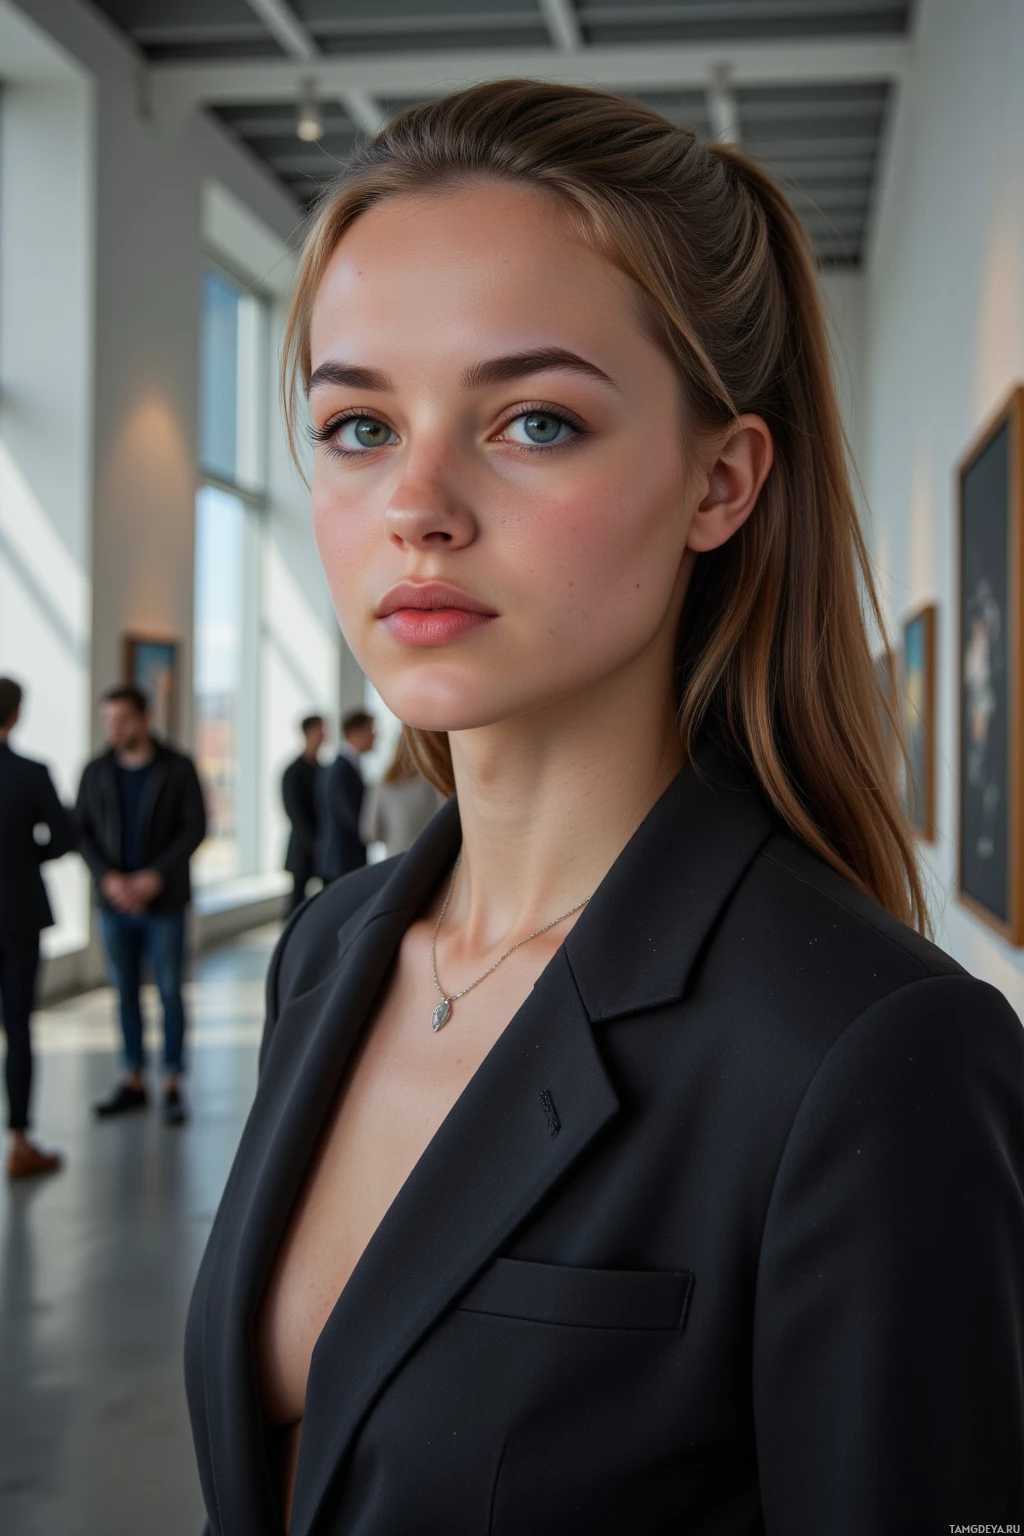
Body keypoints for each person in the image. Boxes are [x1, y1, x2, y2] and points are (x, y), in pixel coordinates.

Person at [186, 82, 1024, 1535]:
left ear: (720, 482)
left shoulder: (870, 1054)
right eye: (360, 424)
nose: (418, 506)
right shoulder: (328, 953)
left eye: (533, 421)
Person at [76, 685, 206, 1126]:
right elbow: (82, 830)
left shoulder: (178, 767)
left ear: (145, 719)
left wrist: (156, 876)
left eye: (122, 720)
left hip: (164, 901)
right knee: (124, 993)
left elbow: (194, 828)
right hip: (113, 904)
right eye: (108, 721)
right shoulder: (95, 771)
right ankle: (132, 1077)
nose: (114, 729)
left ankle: (171, 1081)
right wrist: (107, 877)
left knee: (169, 992)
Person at [0, 678, 76, 1179]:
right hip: (18, 911)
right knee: (18, 1026)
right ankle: (20, 1141)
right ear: (16, 715)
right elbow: (65, 837)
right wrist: (27, 856)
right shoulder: (31, 773)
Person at [359, 733, 444, 857]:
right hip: (430, 857)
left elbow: (370, 833)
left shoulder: (383, 788)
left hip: (397, 859)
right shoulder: (433, 785)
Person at [317, 709, 375, 882]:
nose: (375, 737)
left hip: (346, 860)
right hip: (342, 862)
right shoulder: (340, 770)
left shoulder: (346, 767)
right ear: (355, 733)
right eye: (371, 731)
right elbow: (352, 817)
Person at [281, 714, 325, 916]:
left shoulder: (323, 770)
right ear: (308, 733)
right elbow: (294, 812)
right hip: (303, 847)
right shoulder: (293, 772)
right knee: (296, 902)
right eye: (319, 730)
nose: (324, 735)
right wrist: (313, 843)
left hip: (322, 846)